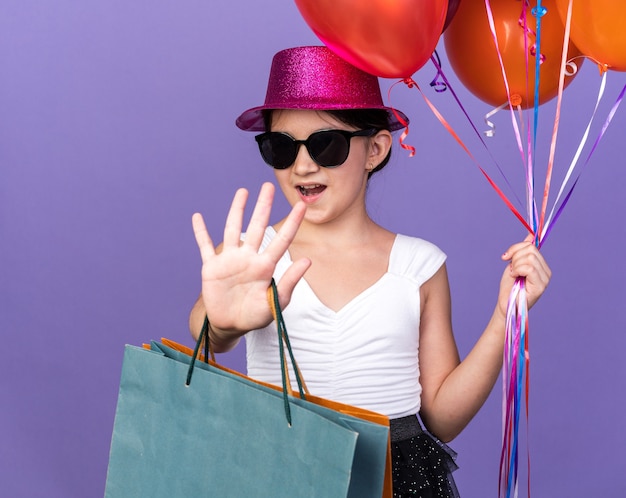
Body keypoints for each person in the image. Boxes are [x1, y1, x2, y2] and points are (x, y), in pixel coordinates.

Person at [189, 46, 551, 498]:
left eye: (327, 144)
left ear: (375, 148)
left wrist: (505, 316)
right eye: (280, 147)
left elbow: (443, 417)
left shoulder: (418, 266)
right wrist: (222, 324)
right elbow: (208, 328)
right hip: (277, 466)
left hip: (394, 477)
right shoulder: (250, 255)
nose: (303, 165)